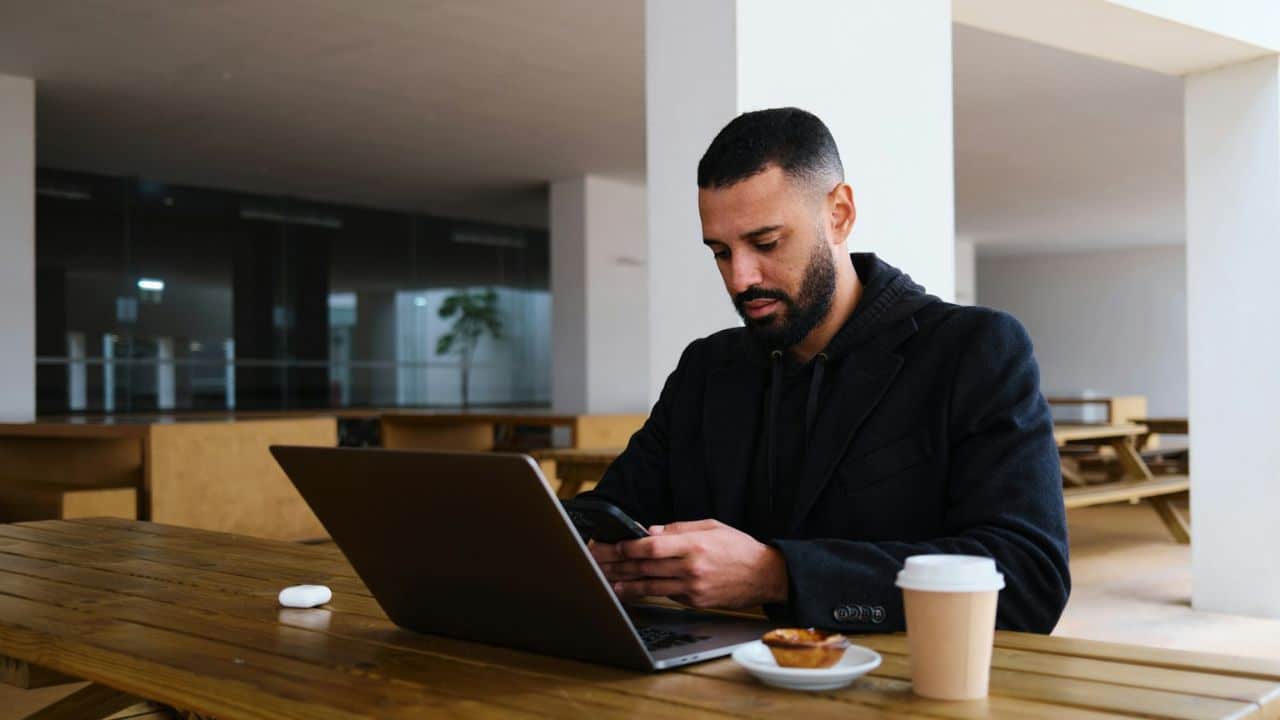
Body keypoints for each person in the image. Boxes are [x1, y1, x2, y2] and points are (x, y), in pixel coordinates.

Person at [580, 107, 1070, 634]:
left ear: (838, 214)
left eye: (766, 243)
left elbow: (1029, 580)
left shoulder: (974, 350)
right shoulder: (707, 368)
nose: (740, 279)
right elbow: (611, 512)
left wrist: (779, 575)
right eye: (720, 252)